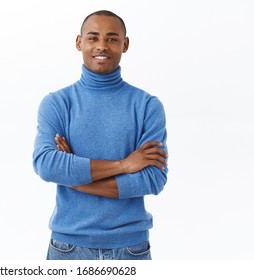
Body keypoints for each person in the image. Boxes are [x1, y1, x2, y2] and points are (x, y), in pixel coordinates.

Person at [32, 10, 168, 260]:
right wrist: (124, 165)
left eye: (112, 38)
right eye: (93, 38)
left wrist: (74, 178)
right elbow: (46, 165)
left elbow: (152, 179)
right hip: (68, 248)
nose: (102, 46)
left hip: (131, 249)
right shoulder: (57, 103)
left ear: (125, 44)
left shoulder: (147, 106)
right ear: (79, 42)